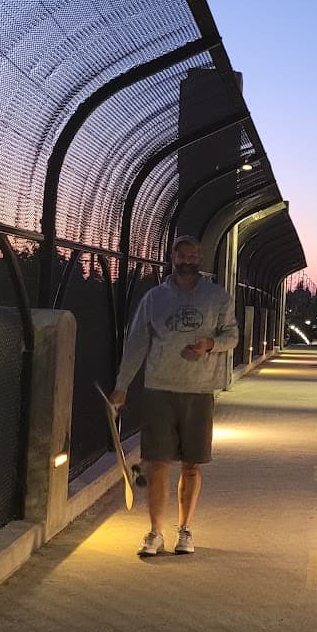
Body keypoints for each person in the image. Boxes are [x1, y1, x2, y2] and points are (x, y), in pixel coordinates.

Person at [107, 235, 239, 558]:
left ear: (201, 259)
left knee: (192, 465)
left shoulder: (218, 298)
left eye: (193, 255)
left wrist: (209, 345)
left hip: (199, 390)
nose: (187, 261)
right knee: (157, 465)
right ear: (172, 258)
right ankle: (155, 532)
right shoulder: (154, 299)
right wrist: (122, 385)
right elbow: (137, 342)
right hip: (159, 390)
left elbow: (232, 335)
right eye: (181, 256)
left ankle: (185, 530)